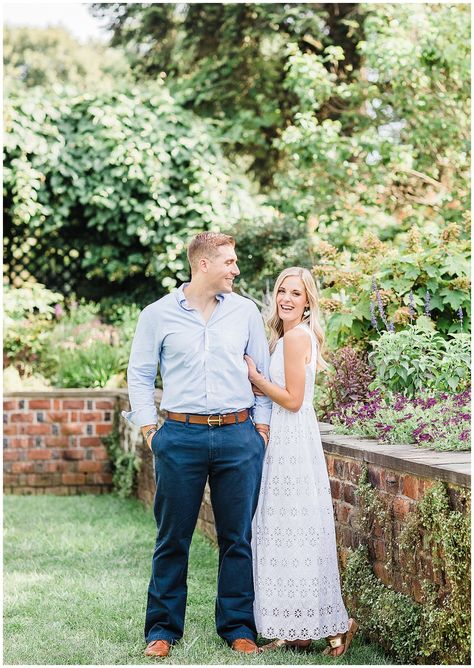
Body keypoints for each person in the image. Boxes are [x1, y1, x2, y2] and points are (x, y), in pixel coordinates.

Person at [122, 232, 271, 658]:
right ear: (202, 264)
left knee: (237, 538)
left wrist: (259, 431)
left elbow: (258, 374)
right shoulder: (157, 315)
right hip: (180, 436)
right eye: (229, 261)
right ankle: (162, 630)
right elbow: (139, 374)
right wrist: (151, 430)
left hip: (238, 436)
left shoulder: (245, 312)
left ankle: (239, 627)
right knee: (173, 537)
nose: (236, 269)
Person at [244, 267, 358, 658]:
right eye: (281, 291)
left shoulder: (294, 337)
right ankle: (295, 625)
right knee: (284, 530)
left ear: (308, 301)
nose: (286, 298)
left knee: (294, 530)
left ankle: (335, 628)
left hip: (292, 440)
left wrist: (255, 377)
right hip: (288, 439)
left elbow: (292, 400)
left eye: (296, 293)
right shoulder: (285, 337)